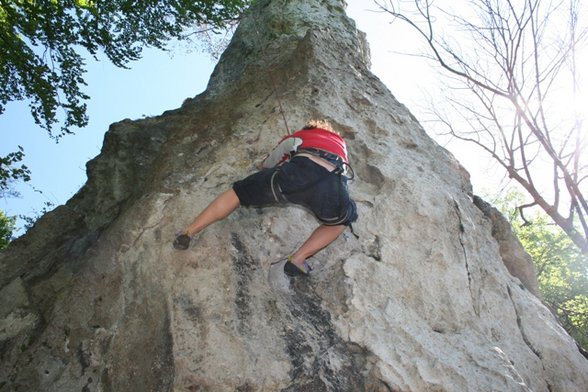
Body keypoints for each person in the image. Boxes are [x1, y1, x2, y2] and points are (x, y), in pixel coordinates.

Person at [173, 119, 358, 276]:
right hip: (330, 184)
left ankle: (189, 231)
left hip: (291, 177)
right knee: (341, 221)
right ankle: (298, 260)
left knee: (238, 193)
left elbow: (276, 156)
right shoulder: (341, 145)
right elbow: (343, 179)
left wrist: (263, 166)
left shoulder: (303, 135)